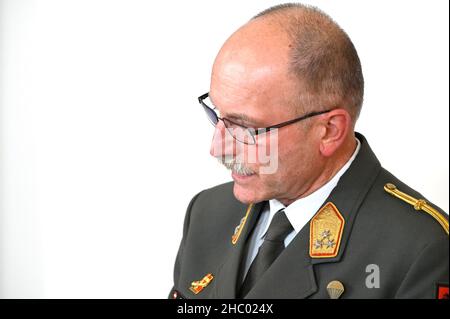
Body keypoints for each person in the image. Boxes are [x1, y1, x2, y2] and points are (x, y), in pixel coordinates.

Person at [169, 3, 449, 299]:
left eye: (246, 129)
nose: (217, 148)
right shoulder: (208, 212)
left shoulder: (420, 251)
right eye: (217, 114)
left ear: (329, 131)